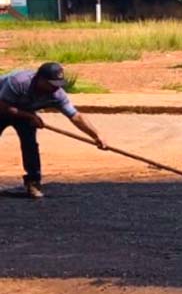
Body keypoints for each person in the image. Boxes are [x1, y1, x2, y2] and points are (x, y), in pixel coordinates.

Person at [0, 62, 106, 199]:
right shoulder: (19, 82)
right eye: (52, 84)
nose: (56, 88)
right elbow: (3, 106)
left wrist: (96, 135)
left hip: (25, 112)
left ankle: (33, 182)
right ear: (40, 79)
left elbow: (75, 116)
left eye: (58, 84)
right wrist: (30, 116)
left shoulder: (57, 94)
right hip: (3, 106)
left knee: (30, 144)